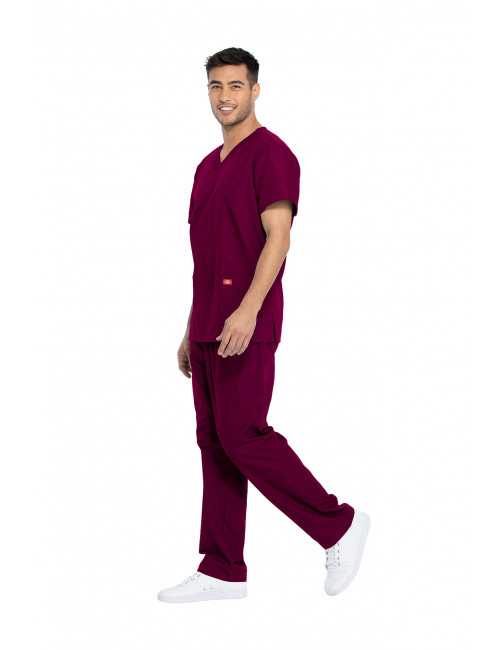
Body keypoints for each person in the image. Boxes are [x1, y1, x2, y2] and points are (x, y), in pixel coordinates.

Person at [158, 47, 370, 604]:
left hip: (245, 323)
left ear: (255, 90)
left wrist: (249, 309)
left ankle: (339, 525)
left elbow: (278, 238)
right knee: (214, 442)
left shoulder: (272, 154)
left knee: (244, 436)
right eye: (215, 86)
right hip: (207, 324)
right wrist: (189, 326)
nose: (224, 96)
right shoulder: (206, 167)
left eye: (235, 85)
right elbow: (207, 257)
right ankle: (222, 568)